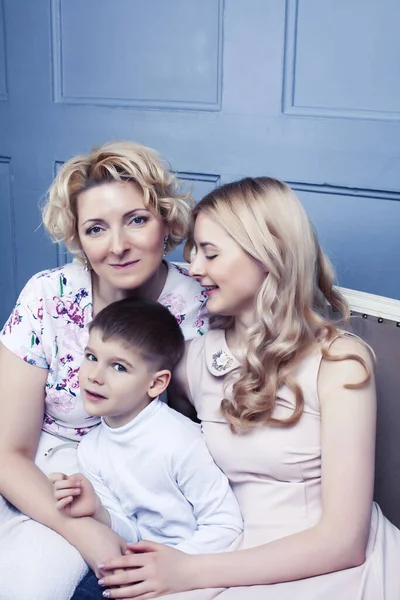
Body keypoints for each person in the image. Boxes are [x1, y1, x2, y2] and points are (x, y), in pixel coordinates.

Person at [93, 177, 400, 600]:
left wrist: (191, 571)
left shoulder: (340, 362)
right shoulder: (192, 360)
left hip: (330, 567)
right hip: (228, 551)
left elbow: (344, 542)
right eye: (194, 252)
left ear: (268, 255)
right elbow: (121, 411)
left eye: (211, 253)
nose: (195, 268)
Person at [0, 140, 208, 600]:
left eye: (137, 220)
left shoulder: (196, 301)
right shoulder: (48, 296)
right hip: (32, 466)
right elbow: (8, 450)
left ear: (166, 222)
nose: (118, 246)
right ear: (78, 239)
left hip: (119, 483)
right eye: (96, 229)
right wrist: (86, 534)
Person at [50, 297, 242, 555]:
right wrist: (97, 510)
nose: (95, 376)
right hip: (142, 566)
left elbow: (226, 526)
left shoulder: (181, 441)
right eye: (91, 356)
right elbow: (132, 533)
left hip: (195, 566)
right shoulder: (90, 450)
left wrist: (172, 566)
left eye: (118, 366)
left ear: (156, 384)